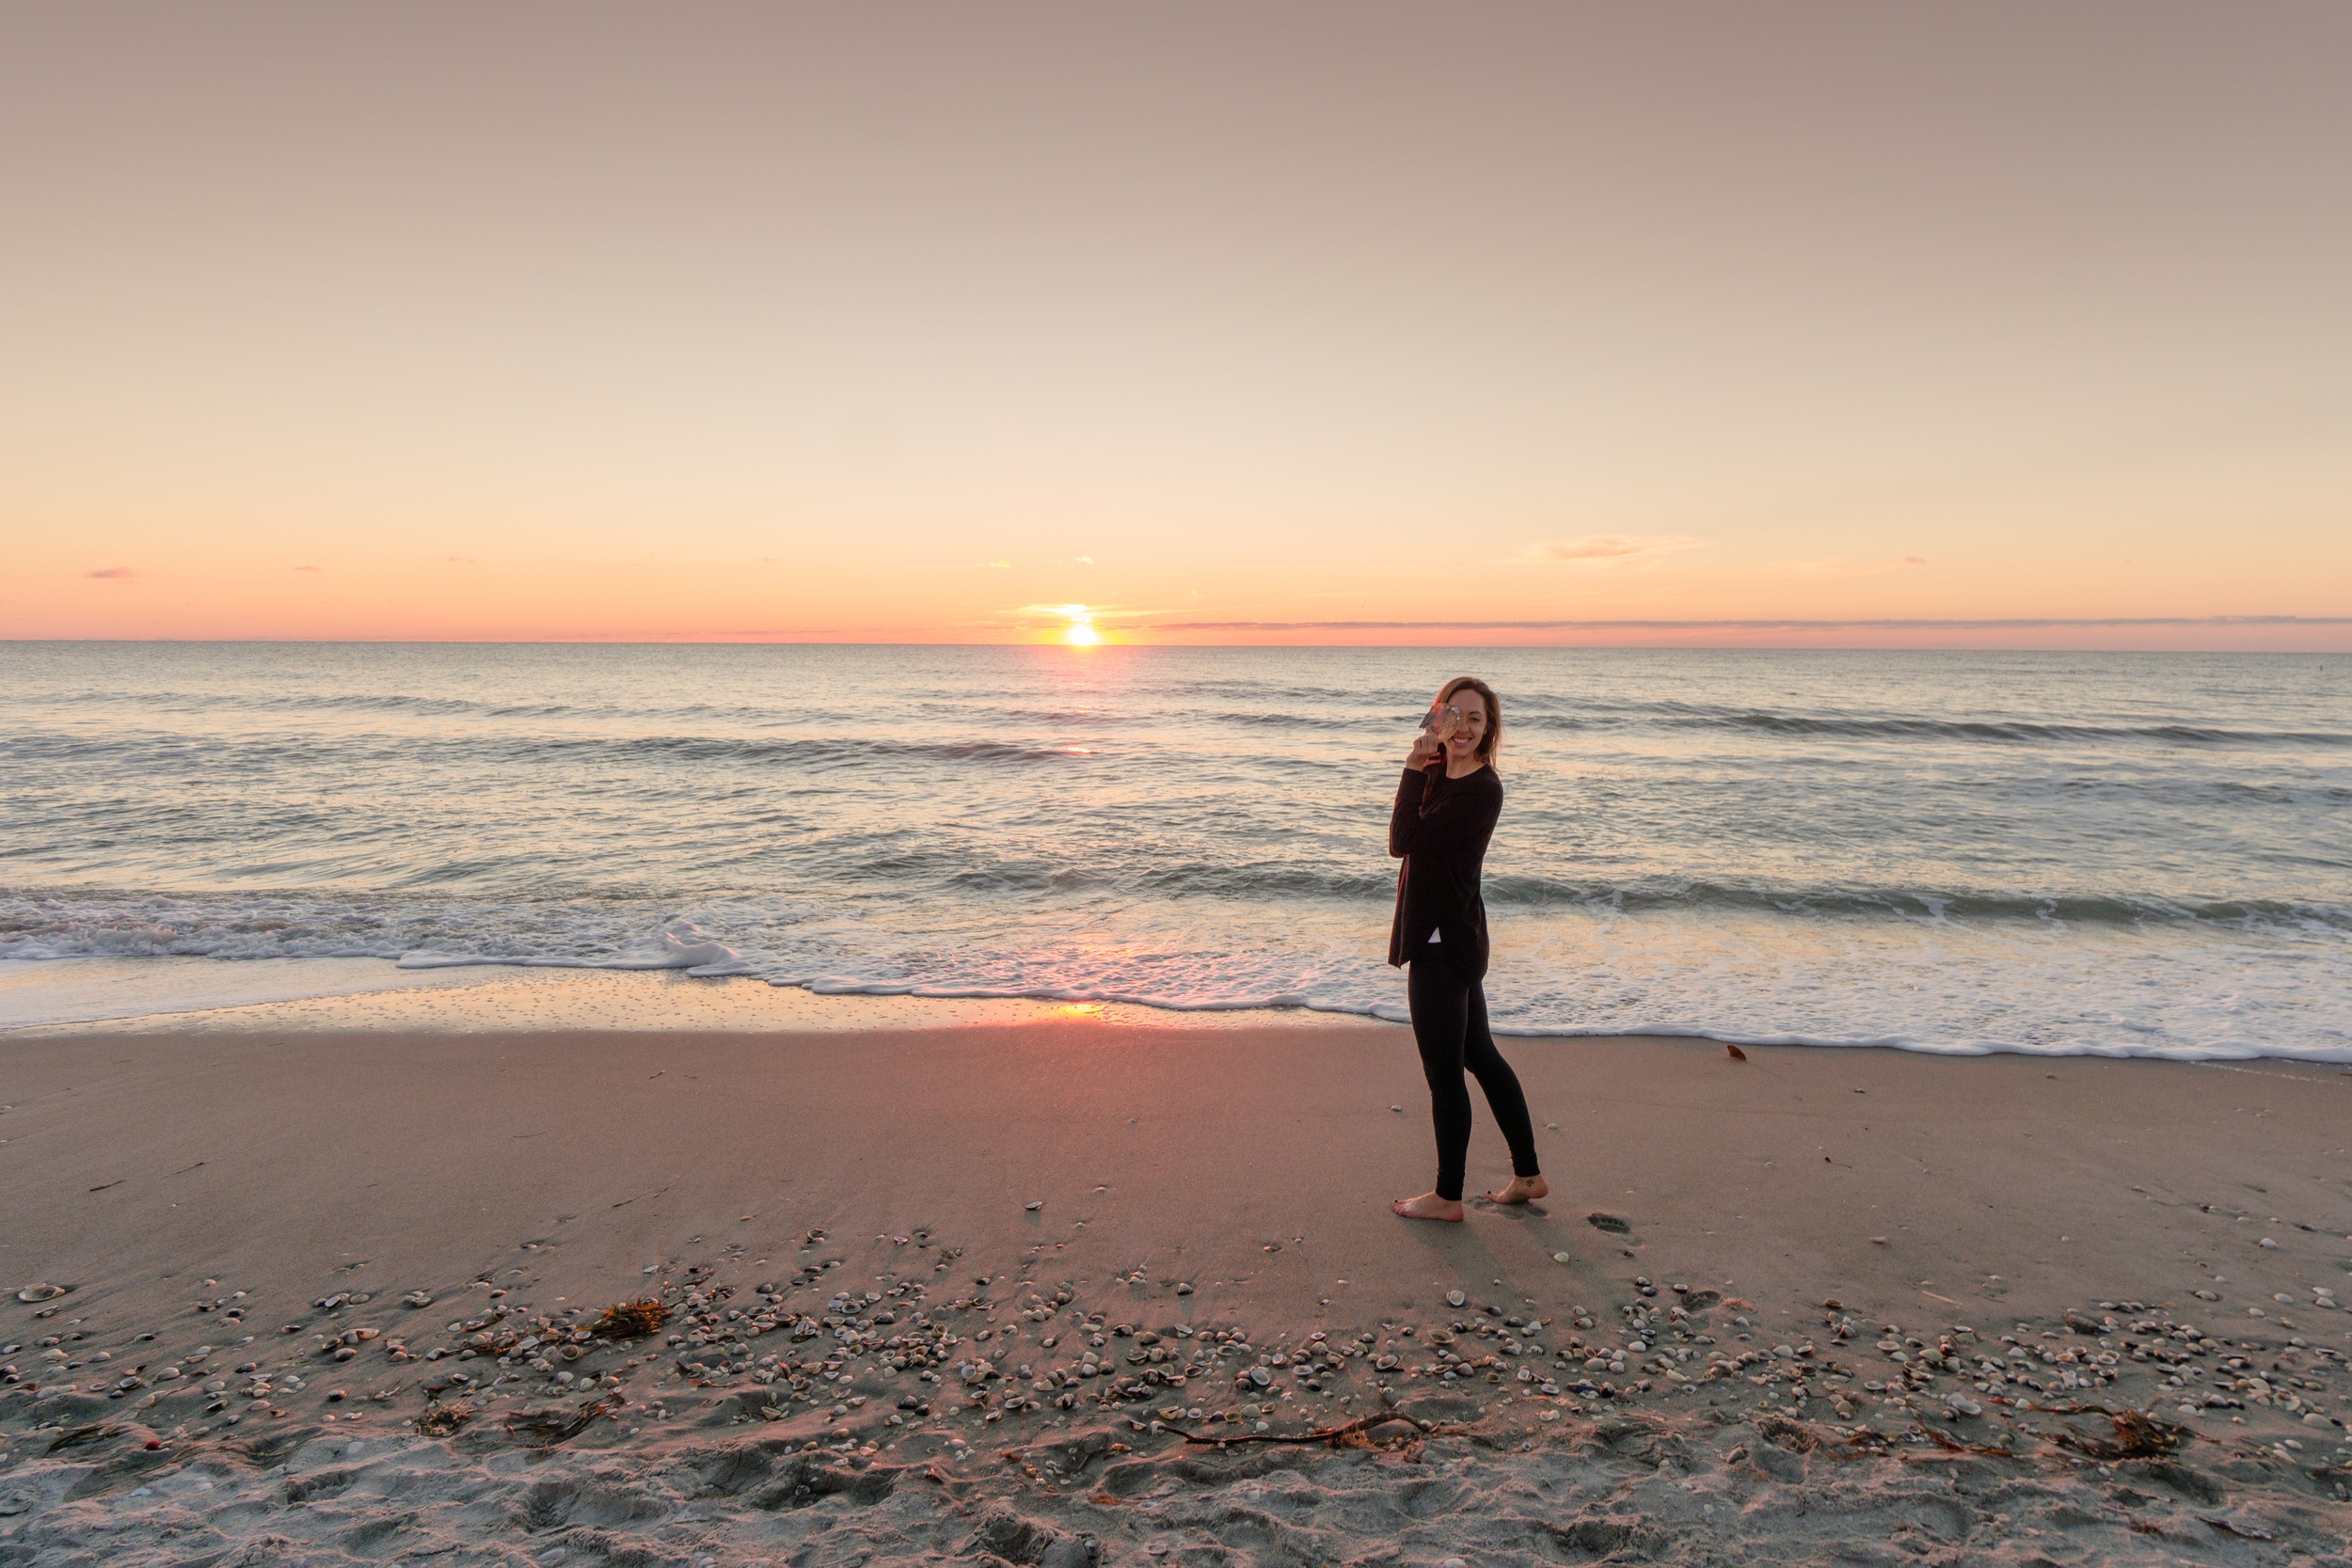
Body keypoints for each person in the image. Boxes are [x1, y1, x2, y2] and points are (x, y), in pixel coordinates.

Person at [1386, 676, 1546, 1221]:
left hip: (1444, 944)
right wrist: (1423, 757)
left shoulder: (1481, 789)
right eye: (1454, 715)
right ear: (1439, 719)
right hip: (1450, 935)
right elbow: (1410, 844)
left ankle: (1447, 1197)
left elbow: (1401, 843)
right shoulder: (1438, 773)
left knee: (1445, 1074)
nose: (1464, 727)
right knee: (1479, 1054)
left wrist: (1410, 768)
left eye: (1476, 719)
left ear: (1488, 731)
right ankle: (1528, 1174)